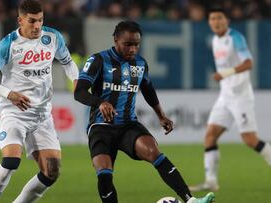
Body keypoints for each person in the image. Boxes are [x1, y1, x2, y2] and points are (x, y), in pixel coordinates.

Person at [74, 20, 215, 203]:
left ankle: (190, 200)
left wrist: (161, 115)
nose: (132, 49)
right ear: (116, 40)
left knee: (154, 152)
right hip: (101, 127)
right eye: (127, 44)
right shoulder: (98, 60)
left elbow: (148, 90)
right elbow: (79, 92)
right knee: (105, 175)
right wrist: (100, 102)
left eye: (136, 45)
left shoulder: (140, 64)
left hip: (128, 125)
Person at [0, 0, 79, 202]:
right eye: (32, 21)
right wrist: (9, 94)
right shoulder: (8, 44)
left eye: (40, 20)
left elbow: (68, 63)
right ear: (20, 20)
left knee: (52, 171)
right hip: (13, 112)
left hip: (41, 115)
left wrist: (77, 80)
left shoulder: (52, 37)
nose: (37, 26)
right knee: (11, 161)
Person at [189, 8, 271, 192]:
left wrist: (226, 73)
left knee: (249, 139)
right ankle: (211, 181)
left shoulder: (236, 37)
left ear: (227, 20)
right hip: (225, 96)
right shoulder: (215, 40)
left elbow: (249, 63)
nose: (215, 21)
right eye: (212, 18)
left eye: (219, 18)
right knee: (210, 136)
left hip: (241, 95)